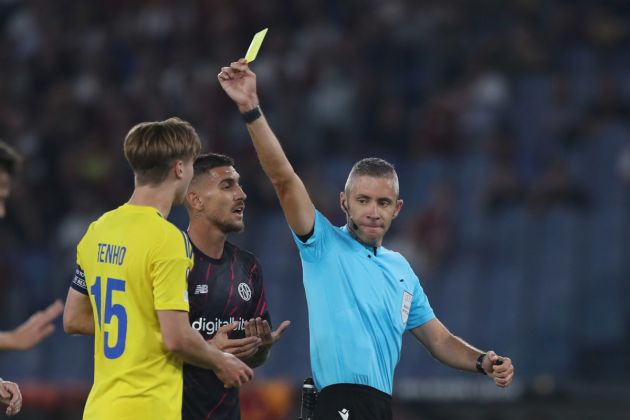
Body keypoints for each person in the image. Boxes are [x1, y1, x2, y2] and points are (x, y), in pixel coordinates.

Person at [218, 60, 515, 420]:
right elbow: (284, 179)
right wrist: (251, 109)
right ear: (345, 203)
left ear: (397, 208)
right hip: (338, 402)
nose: (373, 211)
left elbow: (439, 340)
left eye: (383, 202)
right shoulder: (322, 245)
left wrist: (483, 360)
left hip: (380, 407)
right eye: (363, 200)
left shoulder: (401, 269)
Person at [63, 118, 254, 420]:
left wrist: (142, 330)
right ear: (180, 169)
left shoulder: (97, 230)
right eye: (191, 165)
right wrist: (219, 360)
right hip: (147, 408)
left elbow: (73, 318)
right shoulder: (168, 239)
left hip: (100, 408)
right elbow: (175, 338)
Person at [182, 153, 291, 419]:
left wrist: (261, 348)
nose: (242, 194)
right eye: (227, 185)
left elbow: (249, 358)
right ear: (195, 200)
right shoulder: (171, 259)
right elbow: (145, 346)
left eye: (239, 185)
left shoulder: (248, 267)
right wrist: (210, 351)